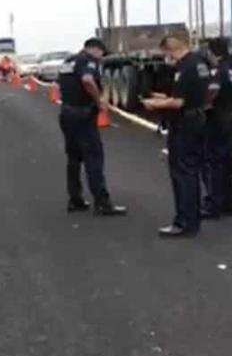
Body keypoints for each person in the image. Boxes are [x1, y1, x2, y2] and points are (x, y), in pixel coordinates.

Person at [143, 36, 211, 238]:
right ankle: (193, 219)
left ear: (170, 50)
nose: (166, 58)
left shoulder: (184, 67)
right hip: (198, 118)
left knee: (182, 174)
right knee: (192, 171)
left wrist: (154, 104)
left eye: (166, 54)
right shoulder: (200, 63)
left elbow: (179, 102)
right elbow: (191, 95)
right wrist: (163, 98)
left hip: (184, 124)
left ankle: (184, 222)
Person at [57, 38, 127, 216]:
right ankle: (102, 202)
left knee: (73, 158)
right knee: (94, 158)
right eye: (101, 54)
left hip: (67, 114)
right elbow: (87, 80)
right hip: (83, 115)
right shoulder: (87, 61)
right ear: (95, 49)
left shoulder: (68, 62)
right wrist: (99, 101)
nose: (101, 58)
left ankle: (75, 199)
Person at [200, 37, 232, 218]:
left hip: (219, 121)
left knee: (214, 163)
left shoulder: (218, 71)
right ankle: (228, 201)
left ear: (212, 52)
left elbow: (211, 95)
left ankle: (214, 204)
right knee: (228, 162)